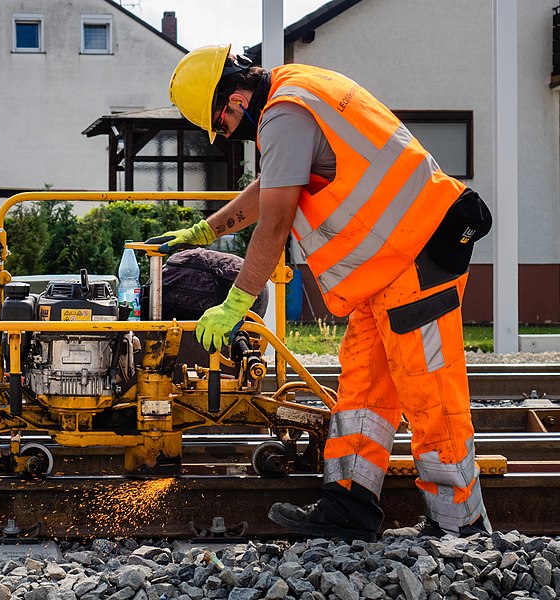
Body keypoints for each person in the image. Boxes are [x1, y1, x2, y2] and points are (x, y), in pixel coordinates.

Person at [147, 44, 493, 542]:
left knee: (429, 393)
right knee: (363, 392)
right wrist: (204, 232)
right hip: (389, 265)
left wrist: (236, 303)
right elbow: (272, 185)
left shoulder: (283, 115)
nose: (227, 135)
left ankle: (462, 527)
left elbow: (275, 223)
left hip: (416, 254)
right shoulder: (296, 91)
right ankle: (349, 505)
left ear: (235, 99)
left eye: (221, 125)